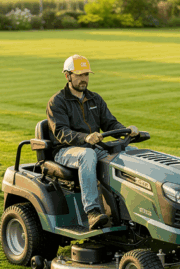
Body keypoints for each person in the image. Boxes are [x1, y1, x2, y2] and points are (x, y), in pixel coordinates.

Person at [46, 54, 139, 230]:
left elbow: (110, 122)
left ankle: (128, 209)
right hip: (66, 151)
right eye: (79, 75)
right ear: (67, 76)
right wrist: (85, 137)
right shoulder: (57, 102)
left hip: (93, 147)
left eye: (86, 75)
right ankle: (92, 212)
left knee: (131, 152)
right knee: (87, 155)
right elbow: (61, 132)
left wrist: (127, 130)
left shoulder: (95, 99)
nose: (83, 79)